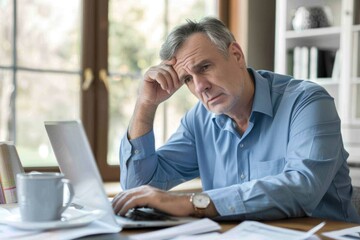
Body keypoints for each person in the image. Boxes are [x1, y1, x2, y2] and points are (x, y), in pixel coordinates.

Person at [112, 17, 360, 223]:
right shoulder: (199, 120)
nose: (200, 87)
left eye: (205, 67)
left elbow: (302, 188)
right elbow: (137, 186)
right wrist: (146, 104)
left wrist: (192, 203)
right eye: (187, 79)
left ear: (236, 54)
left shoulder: (307, 102)